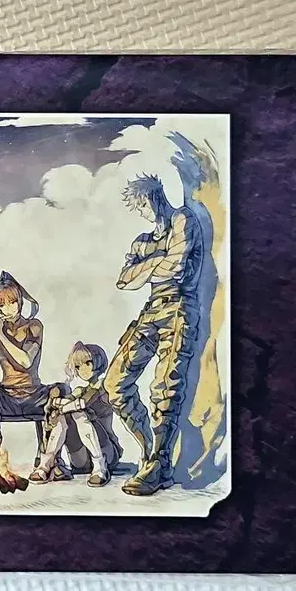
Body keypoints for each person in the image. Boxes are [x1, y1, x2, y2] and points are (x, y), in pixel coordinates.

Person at [104, 174, 204, 496]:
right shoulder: (142, 240)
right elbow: (124, 280)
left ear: (153, 198)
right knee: (114, 383)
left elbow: (176, 268)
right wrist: (158, 261)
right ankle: (149, 451)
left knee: (165, 387)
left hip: (179, 308)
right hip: (151, 311)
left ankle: (160, 464)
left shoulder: (182, 220)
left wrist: (147, 267)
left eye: (142, 205)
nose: (142, 212)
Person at [0, 271, 66, 459]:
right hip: (7, 397)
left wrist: (0, 334)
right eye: (2, 304)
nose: (8, 308)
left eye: (12, 302)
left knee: (60, 391)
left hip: (35, 396)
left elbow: (25, 361)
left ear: (20, 301)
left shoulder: (34, 326)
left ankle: (51, 460)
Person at [31, 342, 123, 487]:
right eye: (78, 366)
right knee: (65, 414)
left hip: (106, 453)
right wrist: (56, 406)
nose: (83, 369)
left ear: (98, 362)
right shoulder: (80, 390)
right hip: (80, 459)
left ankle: (100, 467)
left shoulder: (103, 386)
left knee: (79, 413)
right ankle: (45, 464)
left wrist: (61, 407)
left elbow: (83, 402)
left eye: (88, 363)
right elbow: (69, 401)